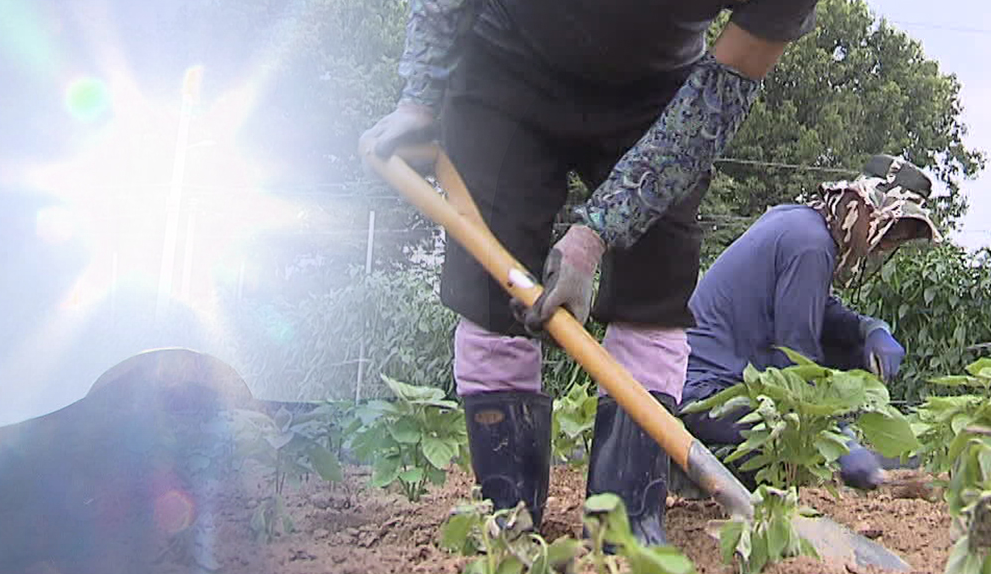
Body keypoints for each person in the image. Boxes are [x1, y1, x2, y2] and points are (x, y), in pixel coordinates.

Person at [359, 1, 820, 544]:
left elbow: (719, 96)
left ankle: (625, 524)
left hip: (661, 94)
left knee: (655, 289)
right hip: (505, 64)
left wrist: (596, 232)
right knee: (490, 288)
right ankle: (508, 517)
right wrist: (420, 92)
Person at [678, 154, 942, 492]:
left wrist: (868, 328)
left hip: (722, 376)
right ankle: (702, 475)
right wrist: (837, 439)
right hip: (708, 394)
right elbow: (794, 357)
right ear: (869, 213)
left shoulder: (802, 221)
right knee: (799, 446)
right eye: (890, 234)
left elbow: (817, 308)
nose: (886, 247)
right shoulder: (811, 246)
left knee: (852, 346)